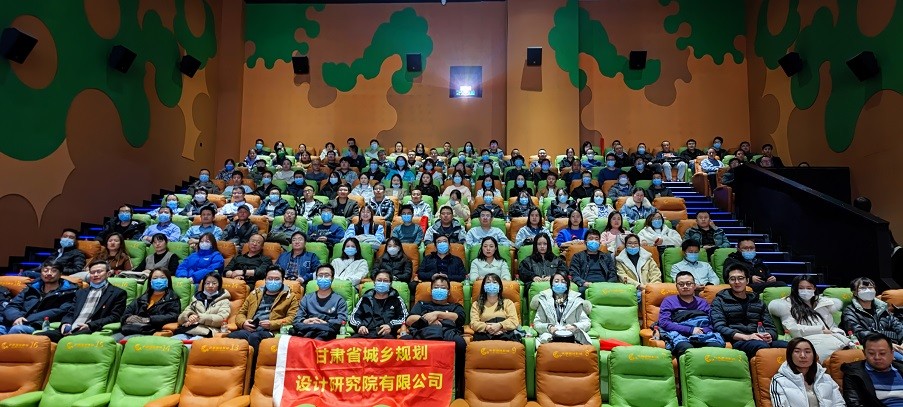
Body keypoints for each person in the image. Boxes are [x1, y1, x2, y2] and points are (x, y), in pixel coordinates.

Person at [404, 274, 466, 397]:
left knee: (460, 343)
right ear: (431, 290)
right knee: (404, 341)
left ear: (448, 292)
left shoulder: (455, 306)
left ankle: (458, 385)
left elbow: (459, 318)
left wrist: (437, 314)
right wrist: (428, 320)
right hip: (423, 332)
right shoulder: (422, 304)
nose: (439, 290)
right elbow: (410, 320)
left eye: (443, 288)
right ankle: (407, 384)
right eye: (436, 287)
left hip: (447, 333)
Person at [36, 261, 127, 343]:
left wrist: (90, 325)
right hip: (70, 329)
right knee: (37, 337)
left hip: (91, 329)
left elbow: (115, 317)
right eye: (92, 272)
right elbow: (70, 312)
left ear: (108, 273)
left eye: (99, 272)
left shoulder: (118, 293)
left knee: (66, 341)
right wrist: (65, 323)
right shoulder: (81, 292)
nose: (95, 275)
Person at [711, 264, 788, 359]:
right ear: (728, 282)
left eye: (740, 278)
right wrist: (746, 337)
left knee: (789, 346)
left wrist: (769, 335)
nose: (737, 282)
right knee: (761, 346)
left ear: (747, 280)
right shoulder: (719, 301)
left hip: (758, 338)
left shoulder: (757, 301)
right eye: (732, 279)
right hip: (737, 340)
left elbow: (770, 326)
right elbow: (719, 326)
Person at [768, 275, 846, 362]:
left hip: (831, 337)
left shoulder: (824, 303)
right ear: (795, 289)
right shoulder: (786, 304)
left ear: (814, 289)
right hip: (806, 339)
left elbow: (831, 326)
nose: (805, 291)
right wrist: (820, 330)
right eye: (801, 288)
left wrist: (836, 332)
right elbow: (791, 328)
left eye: (809, 288)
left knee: (847, 352)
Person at [657, 271, 724, 357]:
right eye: (681, 284)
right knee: (686, 349)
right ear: (676, 286)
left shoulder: (702, 302)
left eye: (688, 283)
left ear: (694, 286)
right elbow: (664, 323)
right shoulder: (669, 301)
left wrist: (704, 330)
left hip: (703, 334)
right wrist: (690, 330)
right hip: (680, 334)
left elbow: (713, 320)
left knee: (715, 348)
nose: (685, 286)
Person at [231, 266, 300, 349]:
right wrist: (243, 323)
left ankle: (254, 358)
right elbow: (241, 313)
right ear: (265, 279)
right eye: (270, 278)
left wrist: (272, 324)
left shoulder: (290, 296)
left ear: (282, 280)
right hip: (250, 329)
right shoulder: (255, 293)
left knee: (254, 337)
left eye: (277, 279)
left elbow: (292, 318)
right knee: (232, 336)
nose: (273, 281)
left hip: (271, 331)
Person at [1, 261, 77, 335]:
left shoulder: (68, 292)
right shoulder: (31, 288)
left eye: (54, 271)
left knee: (17, 329)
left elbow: (60, 311)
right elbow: (12, 305)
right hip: (16, 321)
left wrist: (26, 320)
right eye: (45, 271)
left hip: (38, 325)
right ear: (41, 273)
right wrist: (16, 317)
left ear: (60, 274)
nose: (49, 273)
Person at [769, 337, 845, 406]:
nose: (803, 356)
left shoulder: (826, 378)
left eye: (807, 352)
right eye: (797, 351)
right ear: (790, 355)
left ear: (814, 355)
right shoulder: (779, 380)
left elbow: (839, 403)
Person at [841, 277, 903, 359]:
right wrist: (885, 343)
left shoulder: (882, 308)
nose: (868, 290)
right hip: (874, 348)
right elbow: (859, 333)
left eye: (870, 288)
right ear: (855, 292)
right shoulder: (849, 312)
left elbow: (898, 325)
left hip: (895, 345)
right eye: (863, 288)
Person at [117, 268, 180, 339]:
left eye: (162, 278)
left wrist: (149, 320)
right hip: (132, 328)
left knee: (126, 340)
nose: (158, 280)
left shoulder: (173, 298)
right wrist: (128, 318)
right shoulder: (142, 297)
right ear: (150, 281)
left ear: (168, 280)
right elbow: (126, 313)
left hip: (152, 331)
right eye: (155, 278)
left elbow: (173, 316)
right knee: (113, 339)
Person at [841, 333, 903, 406]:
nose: (877, 357)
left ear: (892, 353)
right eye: (871, 353)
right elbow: (854, 403)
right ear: (864, 353)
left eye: (882, 353)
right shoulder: (854, 373)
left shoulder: (901, 368)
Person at [532, 271, 592, 345]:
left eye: (563, 282)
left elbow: (586, 323)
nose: (560, 284)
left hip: (572, 338)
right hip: (550, 338)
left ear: (567, 284)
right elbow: (537, 324)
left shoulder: (576, 301)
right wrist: (549, 328)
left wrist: (575, 327)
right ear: (551, 284)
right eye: (556, 281)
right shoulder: (544, 300)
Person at [350, 269, 408, 339]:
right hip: (365, 333)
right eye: (379, 280)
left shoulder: (396, 299)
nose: (382, 283)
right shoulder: (365, 298)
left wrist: (390, 325)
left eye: (385, 281)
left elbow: (404, 317)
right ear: (374, 282)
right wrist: (360, 326)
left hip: (386, 334)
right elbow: (354, 316)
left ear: (390, 283)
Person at [470, 273, 520, 342]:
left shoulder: (508, 303)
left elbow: (514, 321)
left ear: (500, 287)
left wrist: (499, 325)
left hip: (505, 332)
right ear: (484, 287)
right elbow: (473, 323)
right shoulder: (476, 304)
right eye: (488, 282)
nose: (491, 285)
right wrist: (488, 327)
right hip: (485, 333)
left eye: (494, 282)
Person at [568, 229, 618, 295]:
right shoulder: (578, 256)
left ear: (599, 242)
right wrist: (584, 283)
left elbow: (613, 274)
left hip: (604, 286)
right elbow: (574, 274)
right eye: (591, 238)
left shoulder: (606, 256)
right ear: (585, 242)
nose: (594, 241)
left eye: (596, 239)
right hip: (586, 286)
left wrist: (608, 285)